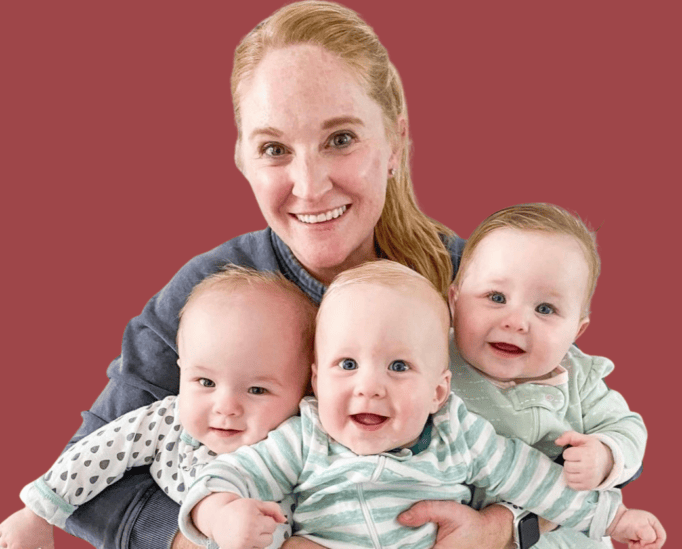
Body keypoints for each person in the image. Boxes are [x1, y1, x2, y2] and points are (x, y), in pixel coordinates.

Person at [22, 2, 529, 548]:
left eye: (340, 139)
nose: (309, 186)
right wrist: (217, 536)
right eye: (274, 149)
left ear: (396, 141)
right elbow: (85, 472)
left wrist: (499, 531)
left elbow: (589, 448)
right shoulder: (209, 293)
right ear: (243, 159)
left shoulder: (479, 284)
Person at [177, 260, 665, 549]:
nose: (369, 388)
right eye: (346, 365)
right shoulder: (305, 440)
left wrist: (613, 518)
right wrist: (220, 516)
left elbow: (536, 479)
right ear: (315, 380)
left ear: (439, 391)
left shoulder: (461, 435)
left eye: (398, 367)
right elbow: (222, 477)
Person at [0, 266, 317, 549]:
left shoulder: (306, 443)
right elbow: (95, 454)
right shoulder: (168, 421)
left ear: (306, 389)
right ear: (182, 370)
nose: (226, 407)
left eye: (257, 389)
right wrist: (36, 516)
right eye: (205, 382)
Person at [448, 203, 648, 548]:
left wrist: (605, 454)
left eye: (545, 309)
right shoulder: (435, 360)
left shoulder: (578, 376)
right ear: (454, 301)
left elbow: (629, 427)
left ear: (576, 331)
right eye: (496, 297)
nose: (516, 321)